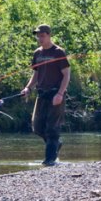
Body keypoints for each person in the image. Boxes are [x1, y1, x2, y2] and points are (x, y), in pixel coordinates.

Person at [21, 24, 71, 166]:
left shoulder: (58, 52)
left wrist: (60, 94)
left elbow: (67, 75)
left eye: (42, 35)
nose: (40, 38)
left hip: (56, 94)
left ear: (49, 35)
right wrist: (28, 88)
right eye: (38, 35)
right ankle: (55, 144)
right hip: (41, 94)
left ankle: (49, 160)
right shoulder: (37, 53)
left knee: (52, 128)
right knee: (37, 126)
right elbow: (36, 74)